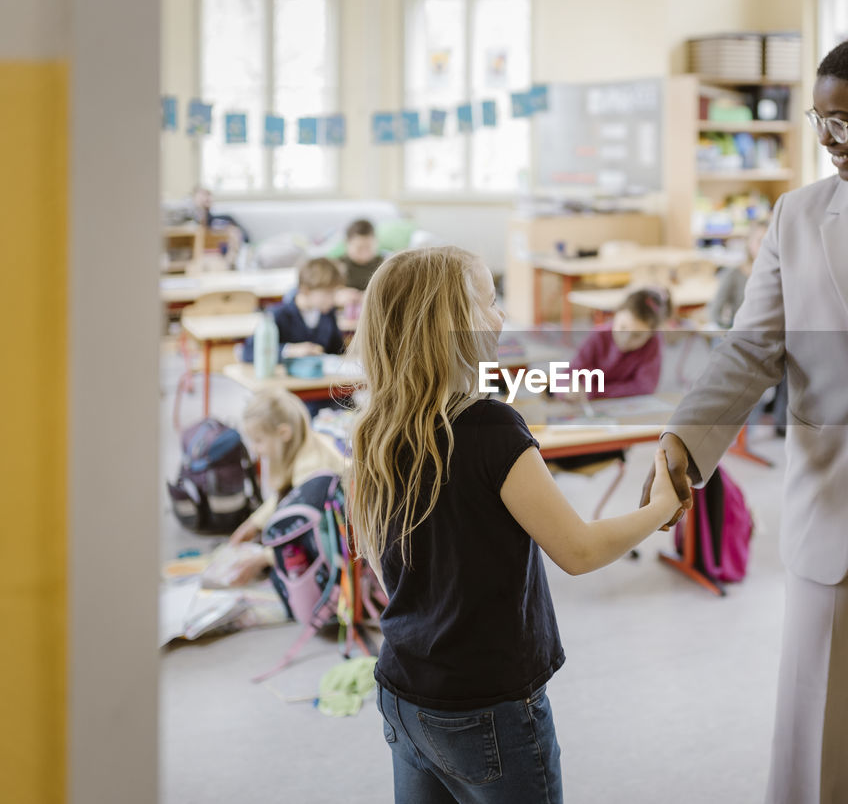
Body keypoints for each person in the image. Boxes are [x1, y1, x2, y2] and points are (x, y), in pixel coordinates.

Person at [640, 33, 848, 804]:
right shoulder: (800, 216)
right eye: (818, 119)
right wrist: (685, 435)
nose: (828, 138)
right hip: (840, 510)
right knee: (819, 745)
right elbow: (752, 347)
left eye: (846, 120)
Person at [345, 246, 685, 804]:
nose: (502, 318)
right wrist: (657, 511)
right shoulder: (492, 430)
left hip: (403, 692)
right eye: (491, 301)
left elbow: (388, 574)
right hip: (486, 707)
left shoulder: (376, 429)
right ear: (452, 323)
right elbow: (577, 551)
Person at [224, 388, 347, 583]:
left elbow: (309, 532)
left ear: (284, 433)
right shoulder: (306, 444)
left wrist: (263, 558)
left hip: (343, 547)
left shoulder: (310, 470)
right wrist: (254, 523)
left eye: (259, 441)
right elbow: (285, 498)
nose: (255, 451)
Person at [566, 287, 668, 399]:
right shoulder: (598, 336)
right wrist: (569, 388)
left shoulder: (653, 343)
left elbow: (645, 387)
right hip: (591, 404)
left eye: (637, 335)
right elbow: (567, 375)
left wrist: (594, 392)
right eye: (622, 328)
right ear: (615, 315)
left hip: (622, 406)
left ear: (651, 334)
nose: (626, 339)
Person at [240, 257, 347, 363]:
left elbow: (337, 351)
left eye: (335, 293)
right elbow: (248, 352)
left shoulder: (327, 314)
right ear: (306, 290)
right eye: (328, 293)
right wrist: (289, 350)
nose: (333, 299)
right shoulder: (278, 314)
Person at [337, 218, 384, 305]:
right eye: (359, 248)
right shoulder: (338, 265)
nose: (364, 253)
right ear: (347, 244)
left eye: (369, 247)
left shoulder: (384, 264)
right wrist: (338, 296)